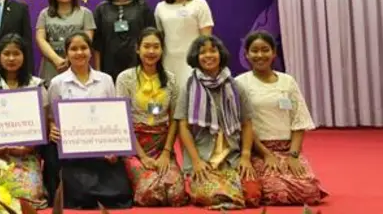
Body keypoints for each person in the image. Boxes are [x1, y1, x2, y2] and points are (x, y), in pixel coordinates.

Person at [236, 31, 327, 206]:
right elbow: (244, 125)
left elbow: (299, 120)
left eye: (265, 50)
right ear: (246, 54)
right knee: (276, 191)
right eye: (254, 51)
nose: (260, 55)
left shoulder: (288, 81)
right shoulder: (240, 83)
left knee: (310, 192)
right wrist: (266, 154)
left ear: (274, 53)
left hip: (288, 149)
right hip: (258, 150)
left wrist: (293, 155)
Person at [47, 31, 132, 209]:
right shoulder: (57, 83)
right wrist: (52, 128)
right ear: (66, 53)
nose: (79, 53)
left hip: (102, 149)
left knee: (120, 194)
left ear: (90, 51)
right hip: (72, 153)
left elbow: (114, 116)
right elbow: (52, 118)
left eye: (83, 48)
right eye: (74, 49)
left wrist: (114, 149)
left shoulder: (106, 80)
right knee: (79, 195)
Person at [175, 35, 261, 209]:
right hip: (203, 158)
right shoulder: (189, 88)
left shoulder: (236, 87)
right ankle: (227, 194)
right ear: (196, 57)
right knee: (210, 194)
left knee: (253, 195)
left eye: (213, 51)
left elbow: (247, 124)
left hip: (232, 157)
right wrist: (196, 161)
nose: (208, 55)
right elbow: (182, 127)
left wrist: (245, 156)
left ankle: (231, 193)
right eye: (203, 52)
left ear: (220, 54)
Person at [115, 27, 187, 206]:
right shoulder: (125, 78)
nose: (151, 51)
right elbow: (122, 120)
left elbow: (175, 120)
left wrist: (166, 153)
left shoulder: (171, 79)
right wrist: (142, 156)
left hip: (161, 145)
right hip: (134, 145)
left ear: (162, 50)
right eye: (146, 46)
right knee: (150, 192)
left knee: (176, 193)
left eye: (156, 46)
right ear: (137, 49)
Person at [0, 33, 48, 209]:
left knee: (27, 197)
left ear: (24, 56)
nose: (11, 58)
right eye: (6, 53)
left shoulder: (36, 85)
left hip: (25, 153)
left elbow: (44, 124)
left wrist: (27, 147)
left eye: (16, 53)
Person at [154, 0, 214, 87]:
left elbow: (206, 39)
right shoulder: (160, 7)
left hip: (192, 63)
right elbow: (159, 38)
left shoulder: (200, 4)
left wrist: (204, 63)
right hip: (168, 63)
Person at [93, 0, 155, 81]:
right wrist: (98, 71)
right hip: (108, 69)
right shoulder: (102, 9)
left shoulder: (143, 8)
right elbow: (97, 45)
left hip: (138, 68)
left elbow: (151, 39)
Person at [35, 0, 95, 82]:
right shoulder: (44, 14)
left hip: (78, 62)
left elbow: (87, 40)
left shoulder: (85, 13)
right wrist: (56, 60)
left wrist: (70, 60)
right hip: (51, 64)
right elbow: (40, 39)